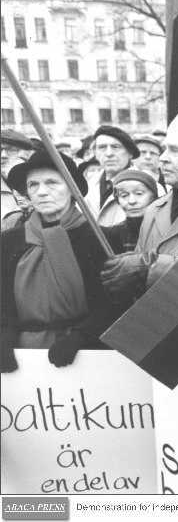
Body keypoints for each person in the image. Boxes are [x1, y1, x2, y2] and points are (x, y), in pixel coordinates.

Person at [1, 150, 112, 372]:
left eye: (52, 183)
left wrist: (82, 337)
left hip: (86, 356)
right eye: (33, 185)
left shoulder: (100, 239)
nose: (41, 192)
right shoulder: (9, 241)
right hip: (24, 358)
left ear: (72, 189)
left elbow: (112, 303)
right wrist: (4, 335)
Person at [100, 120, 178, 301]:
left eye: (175, 151)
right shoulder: (154, 209)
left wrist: (147, 268)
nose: (163, 158)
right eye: (165, 149)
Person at [85, 125, 141, 227]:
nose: (109, 153)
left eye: (115, 147)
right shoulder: (88, 184)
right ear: (95, 153)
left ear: (130, 153)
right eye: (102, 147)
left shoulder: (147, 185)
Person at [103, 168, 159, 254]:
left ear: (154, 197)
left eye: (139, 193)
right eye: (124, 195)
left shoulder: (165, 229)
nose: (131, 201)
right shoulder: (113, 235)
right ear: (118, 200)